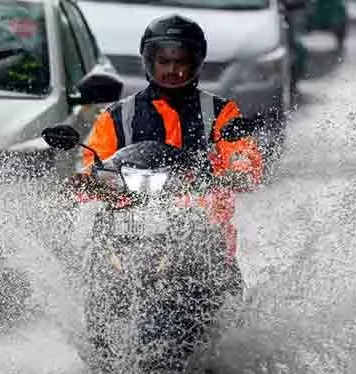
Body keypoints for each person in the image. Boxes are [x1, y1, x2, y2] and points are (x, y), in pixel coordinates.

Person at [71, 13, 264, 268]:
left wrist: (233, 173)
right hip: (129, 221)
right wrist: (86, 182)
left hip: (200, 226)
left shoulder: (222, 112)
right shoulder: (116, 116)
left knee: (214, 275)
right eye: (164, 61)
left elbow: (245, 161)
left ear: (196, 62)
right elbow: (93, 163)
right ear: (149, 61)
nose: (172, 70)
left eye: (181, 61)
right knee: (91, 255)